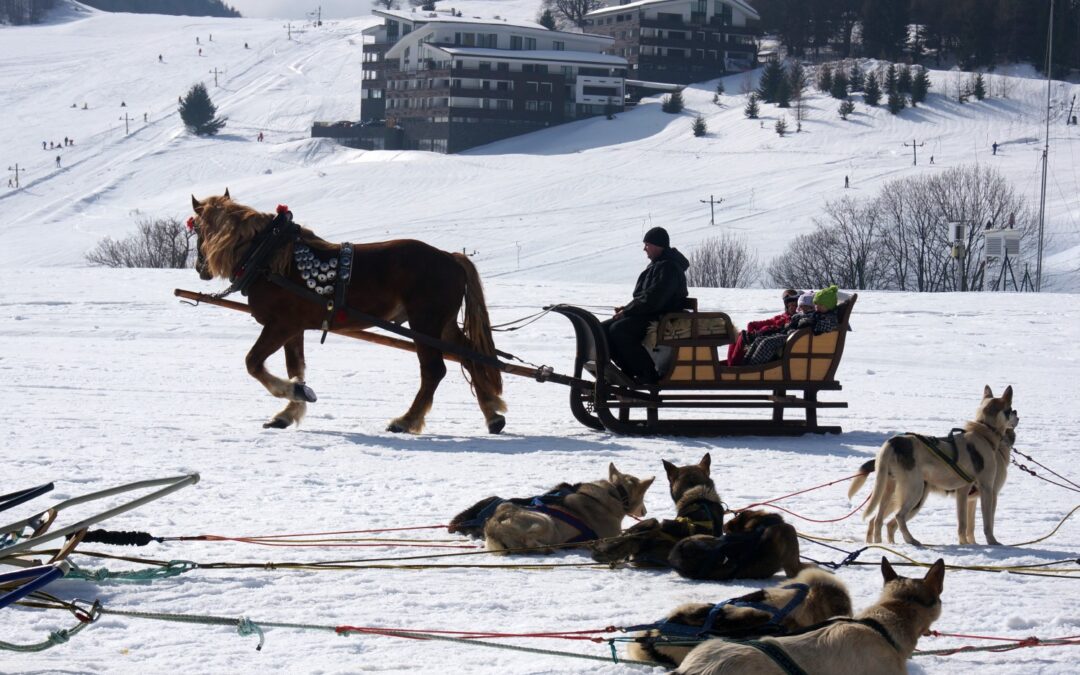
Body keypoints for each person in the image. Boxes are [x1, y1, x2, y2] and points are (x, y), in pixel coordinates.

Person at [603, 227, 689, 384]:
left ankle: (647, 373)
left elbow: (654, 300)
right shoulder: (657, 265)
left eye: (647, 245)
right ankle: (627, 370)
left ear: (657, 245)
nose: (644, 249)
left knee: (619, 330)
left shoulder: (669, 268)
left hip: (663, 317)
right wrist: (626, 309)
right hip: (650, 313)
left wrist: (628, 312)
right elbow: (644, 297)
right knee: (602, 329)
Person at [744, 286, 841, 366]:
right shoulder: (817, 313)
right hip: (793, 336)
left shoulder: (829, 318)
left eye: (819, 304)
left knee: (767, 343)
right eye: (815, 304)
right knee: (759, 340)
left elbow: (825, 326)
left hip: (798, 339)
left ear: (827, 305)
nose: (816, 307)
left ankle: (752, 368)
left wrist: (810, 322)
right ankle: (744, 364)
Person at [726, 289, 800, 366]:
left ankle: (733, 366)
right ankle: (730, 364)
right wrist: (753, 330)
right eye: (789, 305)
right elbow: (759, 323)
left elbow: (781, 330)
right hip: (763, 335)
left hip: (774, 338)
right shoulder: (781, 317)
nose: (792, 307)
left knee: (743, 338)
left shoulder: (794, 319)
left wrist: (763, 331)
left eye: (794, 305)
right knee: (739, 335)